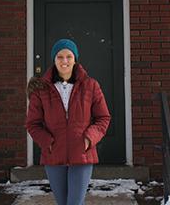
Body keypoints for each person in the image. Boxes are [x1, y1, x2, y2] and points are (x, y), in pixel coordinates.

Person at [26, 38, 111, 205]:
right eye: (60, 57)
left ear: (75, 59)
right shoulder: (41, 89)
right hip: (53, 155)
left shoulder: (91, 86)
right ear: (54, 60)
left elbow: (103, 118)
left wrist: (88, 139)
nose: (64, 61)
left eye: (69, 56)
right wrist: (47, 142)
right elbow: (33, 124)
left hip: (82, 154)